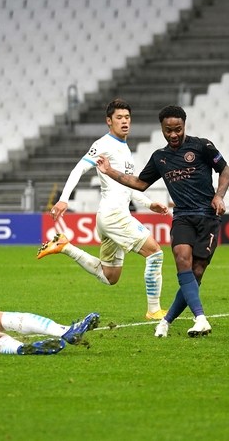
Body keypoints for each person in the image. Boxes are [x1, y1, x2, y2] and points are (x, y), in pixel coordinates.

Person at [96, 105, 229, 338]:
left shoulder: (202, 146)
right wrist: (109, 172)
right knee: (181, 258)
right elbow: (139, 183)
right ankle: (200, 318)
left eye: (177, 129)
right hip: (182, 217)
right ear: (162, 129)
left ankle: (166, 322)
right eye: (168, 130)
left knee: (196, 272)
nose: (173, 134)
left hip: (208, 218)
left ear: (184, 126)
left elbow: (225, 170)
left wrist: (219, 195)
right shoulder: (160, 157)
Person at [38, 99, 169, 321]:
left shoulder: (125, 149)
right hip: (114, 215)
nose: (124, 121)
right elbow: (79, 168)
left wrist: (148, 203)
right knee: (155, 253)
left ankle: (65, 247)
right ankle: (154, 310)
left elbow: (127, 185)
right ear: (109, 121)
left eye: (127, 117)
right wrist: (63, 199)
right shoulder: (104, 144)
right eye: (119, 117)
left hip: (110, 217)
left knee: (110, 276)